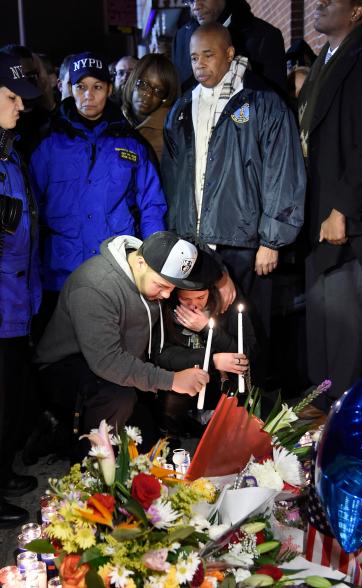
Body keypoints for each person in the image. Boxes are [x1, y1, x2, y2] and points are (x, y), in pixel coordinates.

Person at [162, 23, 306, 383]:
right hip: (194, 244)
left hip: (244, 243)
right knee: (203, 334)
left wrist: (272, 240)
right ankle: (210, 415)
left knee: (250, 335)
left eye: (208, 55)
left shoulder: (262, 102)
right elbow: (174, 180)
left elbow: (283, 171)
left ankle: (254, 417)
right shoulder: (182, 107)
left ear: (229, 53)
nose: (199, 64)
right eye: (194, 57)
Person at [298, 0, 362, 411]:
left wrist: (342, 209)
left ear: (357, 12)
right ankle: (319, 443)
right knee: (322, 349)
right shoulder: (326, 59)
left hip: (349, 227)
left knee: (346, 348)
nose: (318, 4)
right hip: (317, 223)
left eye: (330, 0)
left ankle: (348, 442)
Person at [34, 232, 211, 458]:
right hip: (66, 367)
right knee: (119, 398)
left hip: (119, 365)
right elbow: (106, 361)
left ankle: (61, 436)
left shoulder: (151, 273)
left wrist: (224, 281)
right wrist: (171, 380)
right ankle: (88, 467)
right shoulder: (95, 285)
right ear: (140, 262)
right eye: (162, 285)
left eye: (172, 288)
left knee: (149, 447)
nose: (167, 295)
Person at [29, 51, 167, 315]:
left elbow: (152, 206)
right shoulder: (46, 142)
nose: (88, 95)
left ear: (110, 89)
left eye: (97, 87)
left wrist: (152, 262)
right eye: (81, 87)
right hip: (60, 278)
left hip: (116, 274)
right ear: (69, 88)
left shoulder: (132, 142)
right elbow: (32, 214)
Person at [0, 53, 43, 527]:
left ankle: (3, 470)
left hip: (14, 298)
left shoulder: (9, 152)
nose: (21, 108)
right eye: (12, 97)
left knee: (10, 400)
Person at [155, 262, 256, 438]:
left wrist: (207, 329)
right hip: (183, 390)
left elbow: (247, 352)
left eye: (200, 298)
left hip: (221, 387)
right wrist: (212, 360)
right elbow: (162, 356)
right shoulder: (166, 309)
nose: (194, 305)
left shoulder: (226, 304)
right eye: (186, 299)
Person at [172, 0, 287, 94]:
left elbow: (278, 106)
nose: (196, 6)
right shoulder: (181, 38)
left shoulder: (265, 36)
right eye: (190, 1)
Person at [122, 53, 180, 162]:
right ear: (133, 80)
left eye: (158, 91)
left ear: (165, 97)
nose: (148, 95)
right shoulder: (114, 119)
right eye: (143, 85)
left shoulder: (166, 135)